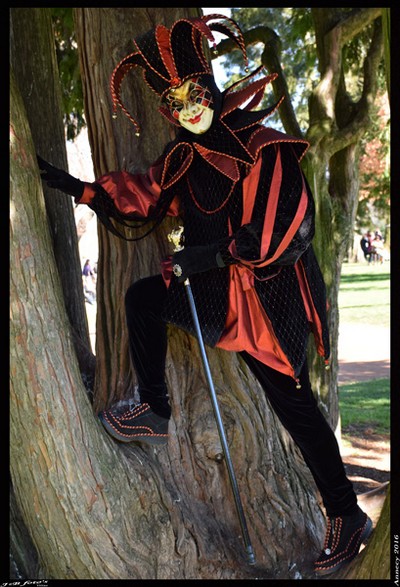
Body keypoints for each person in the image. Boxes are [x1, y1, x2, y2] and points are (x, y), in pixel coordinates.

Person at [37, 14, 372, 576]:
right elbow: (142, 197)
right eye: (177, 101)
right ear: (169, 109)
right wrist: (79, 188)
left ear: (210, 90)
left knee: (293, 405)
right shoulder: (182, 159)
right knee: (142, 299)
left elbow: (287, 227)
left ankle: (346, 515)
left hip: (270, 302)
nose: (190, 108)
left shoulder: (262, 146)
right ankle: (156, 408)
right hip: (215, 297)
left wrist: (210, 255)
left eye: (196, 94)